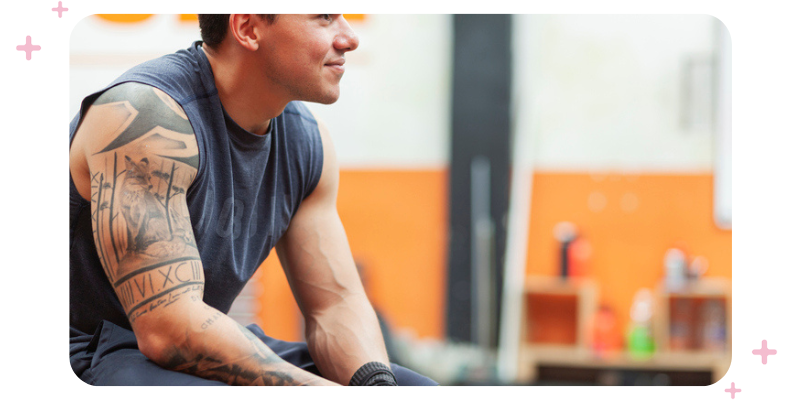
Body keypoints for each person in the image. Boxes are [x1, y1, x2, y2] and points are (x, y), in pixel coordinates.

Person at [68, 14, 437, 386]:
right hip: (83, 353)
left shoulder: (305, 141)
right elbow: (168, 330)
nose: (349, 38)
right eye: (324, 18)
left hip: (188, 343)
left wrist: (374, 387)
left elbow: (333, 306)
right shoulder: (146, 118)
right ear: (247, 28)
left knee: (414, 390)